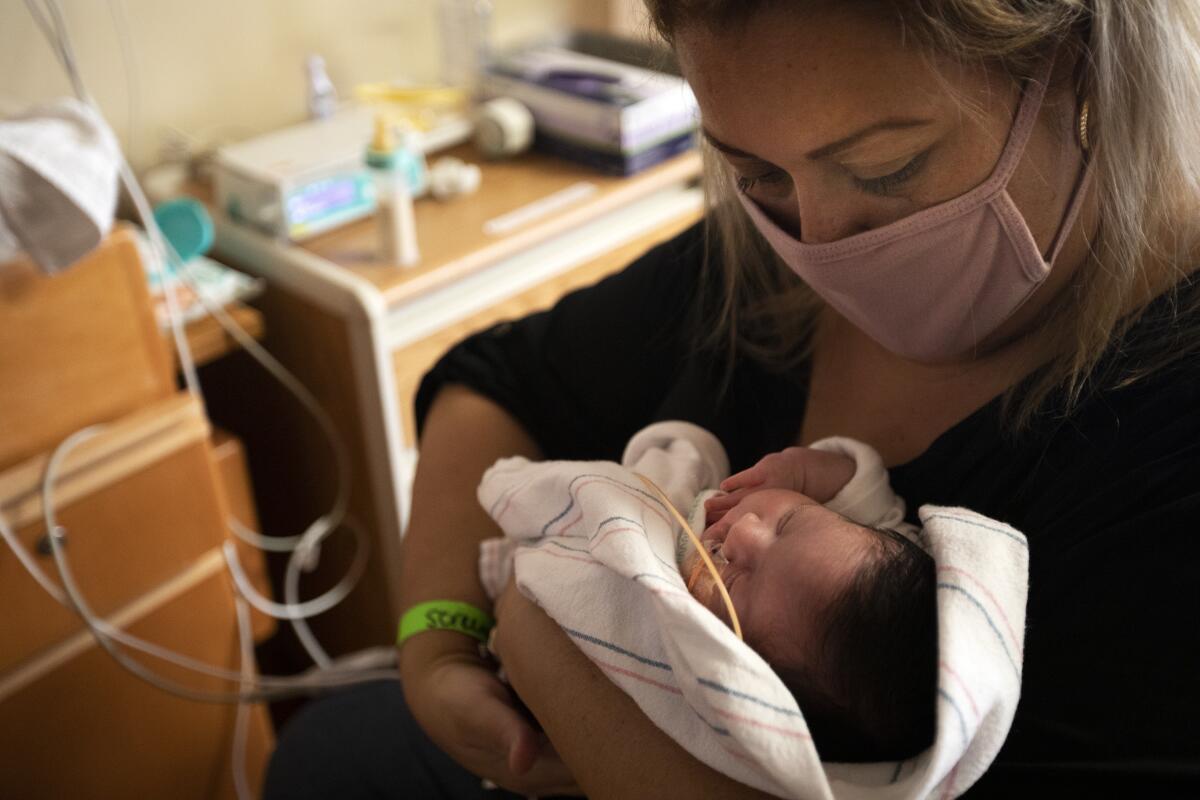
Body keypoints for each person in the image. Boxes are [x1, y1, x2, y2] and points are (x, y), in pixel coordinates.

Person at [265, 2, 1200, 798]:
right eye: (754, 174)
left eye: (886, 170)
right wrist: (438, 640)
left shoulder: (1165, 445)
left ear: (1082, 65)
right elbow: (495, 382)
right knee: (324, 750)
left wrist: (545, 651)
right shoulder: (762, 261)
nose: (821, 241)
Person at [476, 424, 942, 772]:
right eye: (788, 523)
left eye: (740, 582)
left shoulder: (689, 650)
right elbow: (868, 495)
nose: (745, 533)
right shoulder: (855, 556)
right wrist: (807, 472)